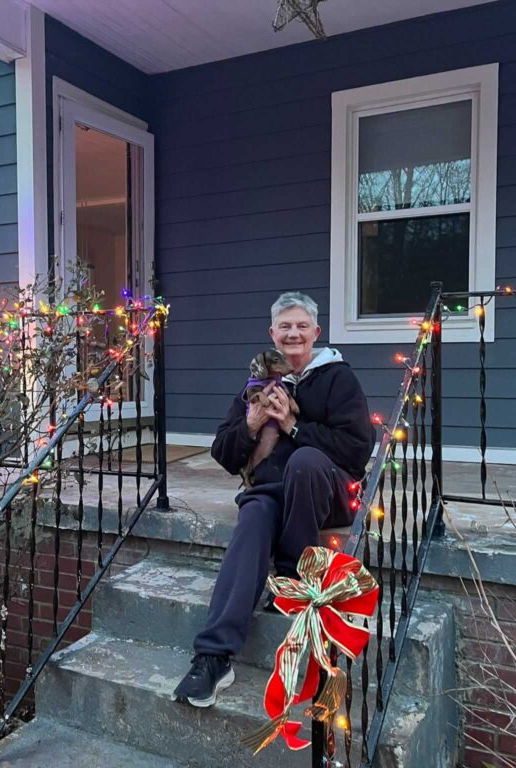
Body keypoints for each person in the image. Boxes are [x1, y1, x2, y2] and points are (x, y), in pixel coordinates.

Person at [172, 291, 375, 708]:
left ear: (316, 332)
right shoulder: (258, 384)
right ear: (272, 333)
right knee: (254, 515)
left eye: (302, 326)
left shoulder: (338, 378)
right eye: (285, 326)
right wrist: (250, 424)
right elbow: (224, 454)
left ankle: (292, 577)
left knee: (302, 462)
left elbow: (356, 449)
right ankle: (213, 656)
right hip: (272, 492)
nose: (293, 334)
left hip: (327, 489)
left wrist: (293, 425)